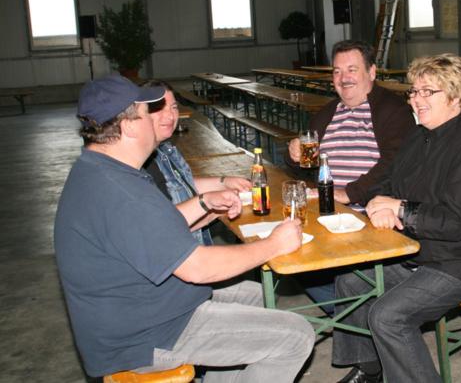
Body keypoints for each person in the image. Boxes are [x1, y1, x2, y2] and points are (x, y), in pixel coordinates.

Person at [54, 75, 314, 381]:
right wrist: (274, 244)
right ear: (129, 127)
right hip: (145, 337)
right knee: (296, 336)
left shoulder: (102, 170)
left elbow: (153, 229)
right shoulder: (121, 191)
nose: (156, 119)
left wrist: (205, 206)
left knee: (257, 295)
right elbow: (199, 269)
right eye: (147, 112)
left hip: (147, 311)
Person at [332, 54, 461, 383]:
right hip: (420, 251)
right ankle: (369, 369)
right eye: (414, 91)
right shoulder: (419, 136)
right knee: (351, 281)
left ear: (455, 96)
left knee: (388, 316)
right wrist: (376, 202)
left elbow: (457, 222)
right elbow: (390, 182)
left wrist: (399, 209)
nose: (416, 99)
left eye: (428, 91)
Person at [286, 40, 416, 314]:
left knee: (312, 266)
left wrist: (349, 193)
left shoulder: (393, 110)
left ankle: (358, 311)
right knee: (288, 255)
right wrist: (293, 154)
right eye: (337, 71)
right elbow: (306, 168)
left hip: (370, 215)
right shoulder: (326, 114)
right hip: (327, 213)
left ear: (372, 72)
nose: (343, 78)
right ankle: (357, 311)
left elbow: (395, 164)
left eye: (352, 69)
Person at [141, 80, 251, 245]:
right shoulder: (141, 162)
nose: (170, 116)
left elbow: (179, 184)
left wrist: (224, 182)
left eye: (174, 107)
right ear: (140, 114)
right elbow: (162, 227)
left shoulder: (163, 149)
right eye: (159, 108)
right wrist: (210, 206)